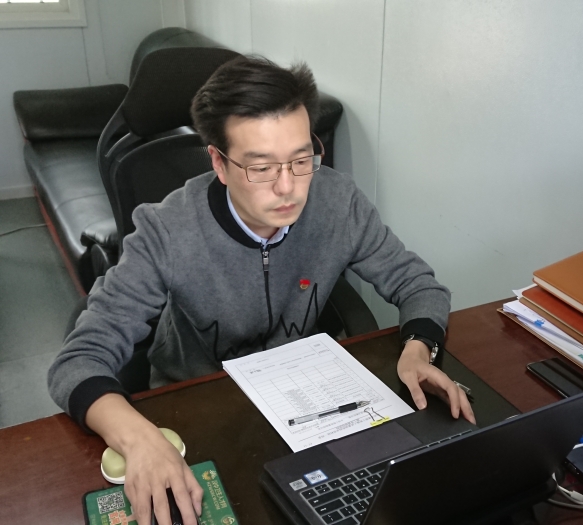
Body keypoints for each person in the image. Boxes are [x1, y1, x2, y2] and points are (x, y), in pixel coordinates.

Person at [48, 56, 474, 525]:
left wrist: (418, 349)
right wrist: (139, 438)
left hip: (304, 401)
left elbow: (418, 283)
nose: (289, 187)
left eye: (301, 160)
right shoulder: (168, 230)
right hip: (201, 404)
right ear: (219, 162)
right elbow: (78, 360)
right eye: (262, 168)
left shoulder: (337, 202)